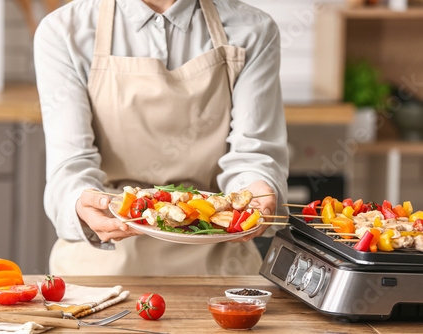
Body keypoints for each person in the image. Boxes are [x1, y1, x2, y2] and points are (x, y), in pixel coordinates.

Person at [34, 0, 289, 276]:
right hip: (100, 270)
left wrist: (258, 190)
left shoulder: (254, 30)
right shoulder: (63, 30)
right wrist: (82, 204)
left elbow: (253, 155)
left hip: (218, 266)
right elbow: (70, 165)